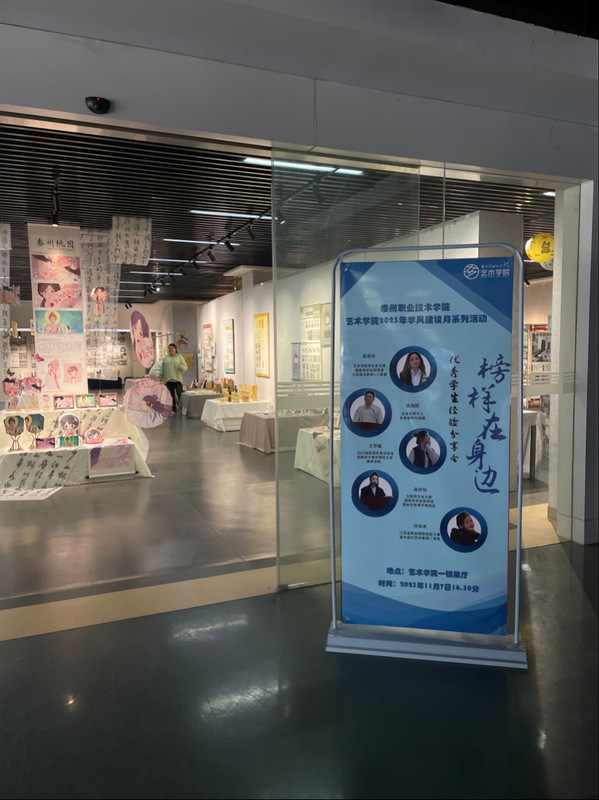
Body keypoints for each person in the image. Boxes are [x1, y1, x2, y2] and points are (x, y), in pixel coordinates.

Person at [160, 343, 187, 412]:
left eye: (172, 348)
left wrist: (181, 367)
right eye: (169, 348)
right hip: (168, 380)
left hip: (177, 379)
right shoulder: (166, 358)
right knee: (170, 396)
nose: (170, 350)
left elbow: (185, 367)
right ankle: (173, 409)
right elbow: (162, 368)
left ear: (175, 349)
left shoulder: (179, 357)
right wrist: (161, 377)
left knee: (179, 393)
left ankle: (182, 407)